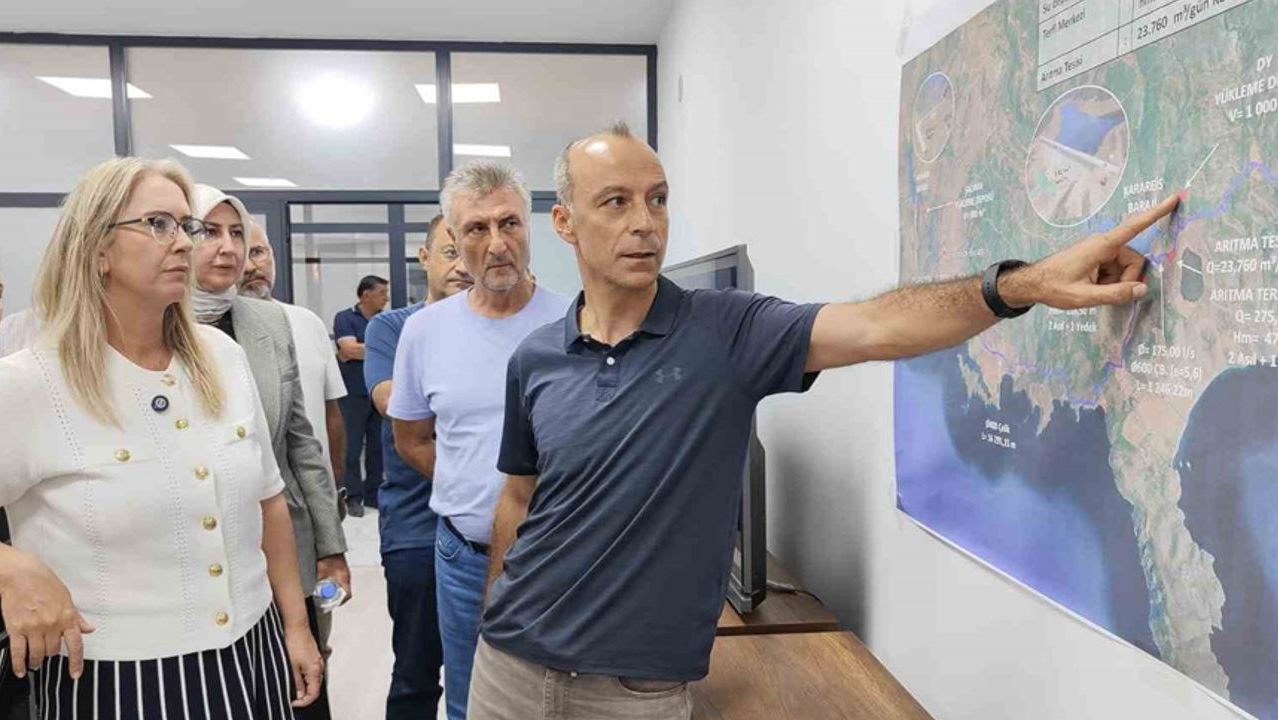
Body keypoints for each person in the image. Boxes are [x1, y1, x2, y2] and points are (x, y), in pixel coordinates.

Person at [467, 122, 1184, 719]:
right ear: (565, 222)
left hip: (634, 695)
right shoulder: (536, 359)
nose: (644, 223)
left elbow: (877, 325)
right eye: (615, 202)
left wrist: (1021, 284)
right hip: (507, 671)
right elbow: (519, 498)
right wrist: (495, 613)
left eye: (657, 199)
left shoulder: (727, 332)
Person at [0, 157, 323, 718]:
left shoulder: (223, 357)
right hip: (112, 678)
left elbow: (269, 502)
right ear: (97, 249)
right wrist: (11, 568)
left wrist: (296, 625)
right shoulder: (30, 382)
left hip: (253, 649)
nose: (185, 243)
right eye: (158, 224)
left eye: (186, 225)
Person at [389, 161, 569, 720]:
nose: (496, 244)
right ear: (453, 238)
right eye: (476, 229)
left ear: (529, 227)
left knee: (561, 703)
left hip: (561, 558)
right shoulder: (424, 331)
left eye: (509, 223)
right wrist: (474, 490)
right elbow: (412, 439)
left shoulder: (575, 323)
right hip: (464, 559)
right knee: (471, 704)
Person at [191, 185, 350, 720]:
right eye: (209, 232)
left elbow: (302, 443)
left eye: (237, 234)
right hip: (200, 553)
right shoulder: (150, 328)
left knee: (300, 687)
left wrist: (330, 545)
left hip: (283, 540)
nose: (228, 248)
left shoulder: (268, 322)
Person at [364, 214, 471, 719]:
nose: (462, 265)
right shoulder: (391, 328)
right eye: (449, 252)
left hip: (492, 527)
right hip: (415, 526)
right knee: (416, 672)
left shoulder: (500, 326)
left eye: (469, 251)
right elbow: (392, 401)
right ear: (424, 258)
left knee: (491, 674)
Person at [239, 224, 348, 508]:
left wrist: (334, 484)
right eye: (241, 254)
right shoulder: (209, 334)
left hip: (312, 496)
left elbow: (331, 411)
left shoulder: (307, 322)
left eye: (258, 252)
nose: (251, 266)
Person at [333, 276, 389, 517]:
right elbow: (348, 349)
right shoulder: (345, 318)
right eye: (382, 293)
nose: (386, 298)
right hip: (352, 394)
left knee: (378, 446)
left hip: (379, 391)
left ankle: (374, 494)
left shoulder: (385, 320)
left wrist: (358, 350)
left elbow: (354, 351)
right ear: (366, 295)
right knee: (352, 447)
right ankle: (353, 496)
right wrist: (380, 349)